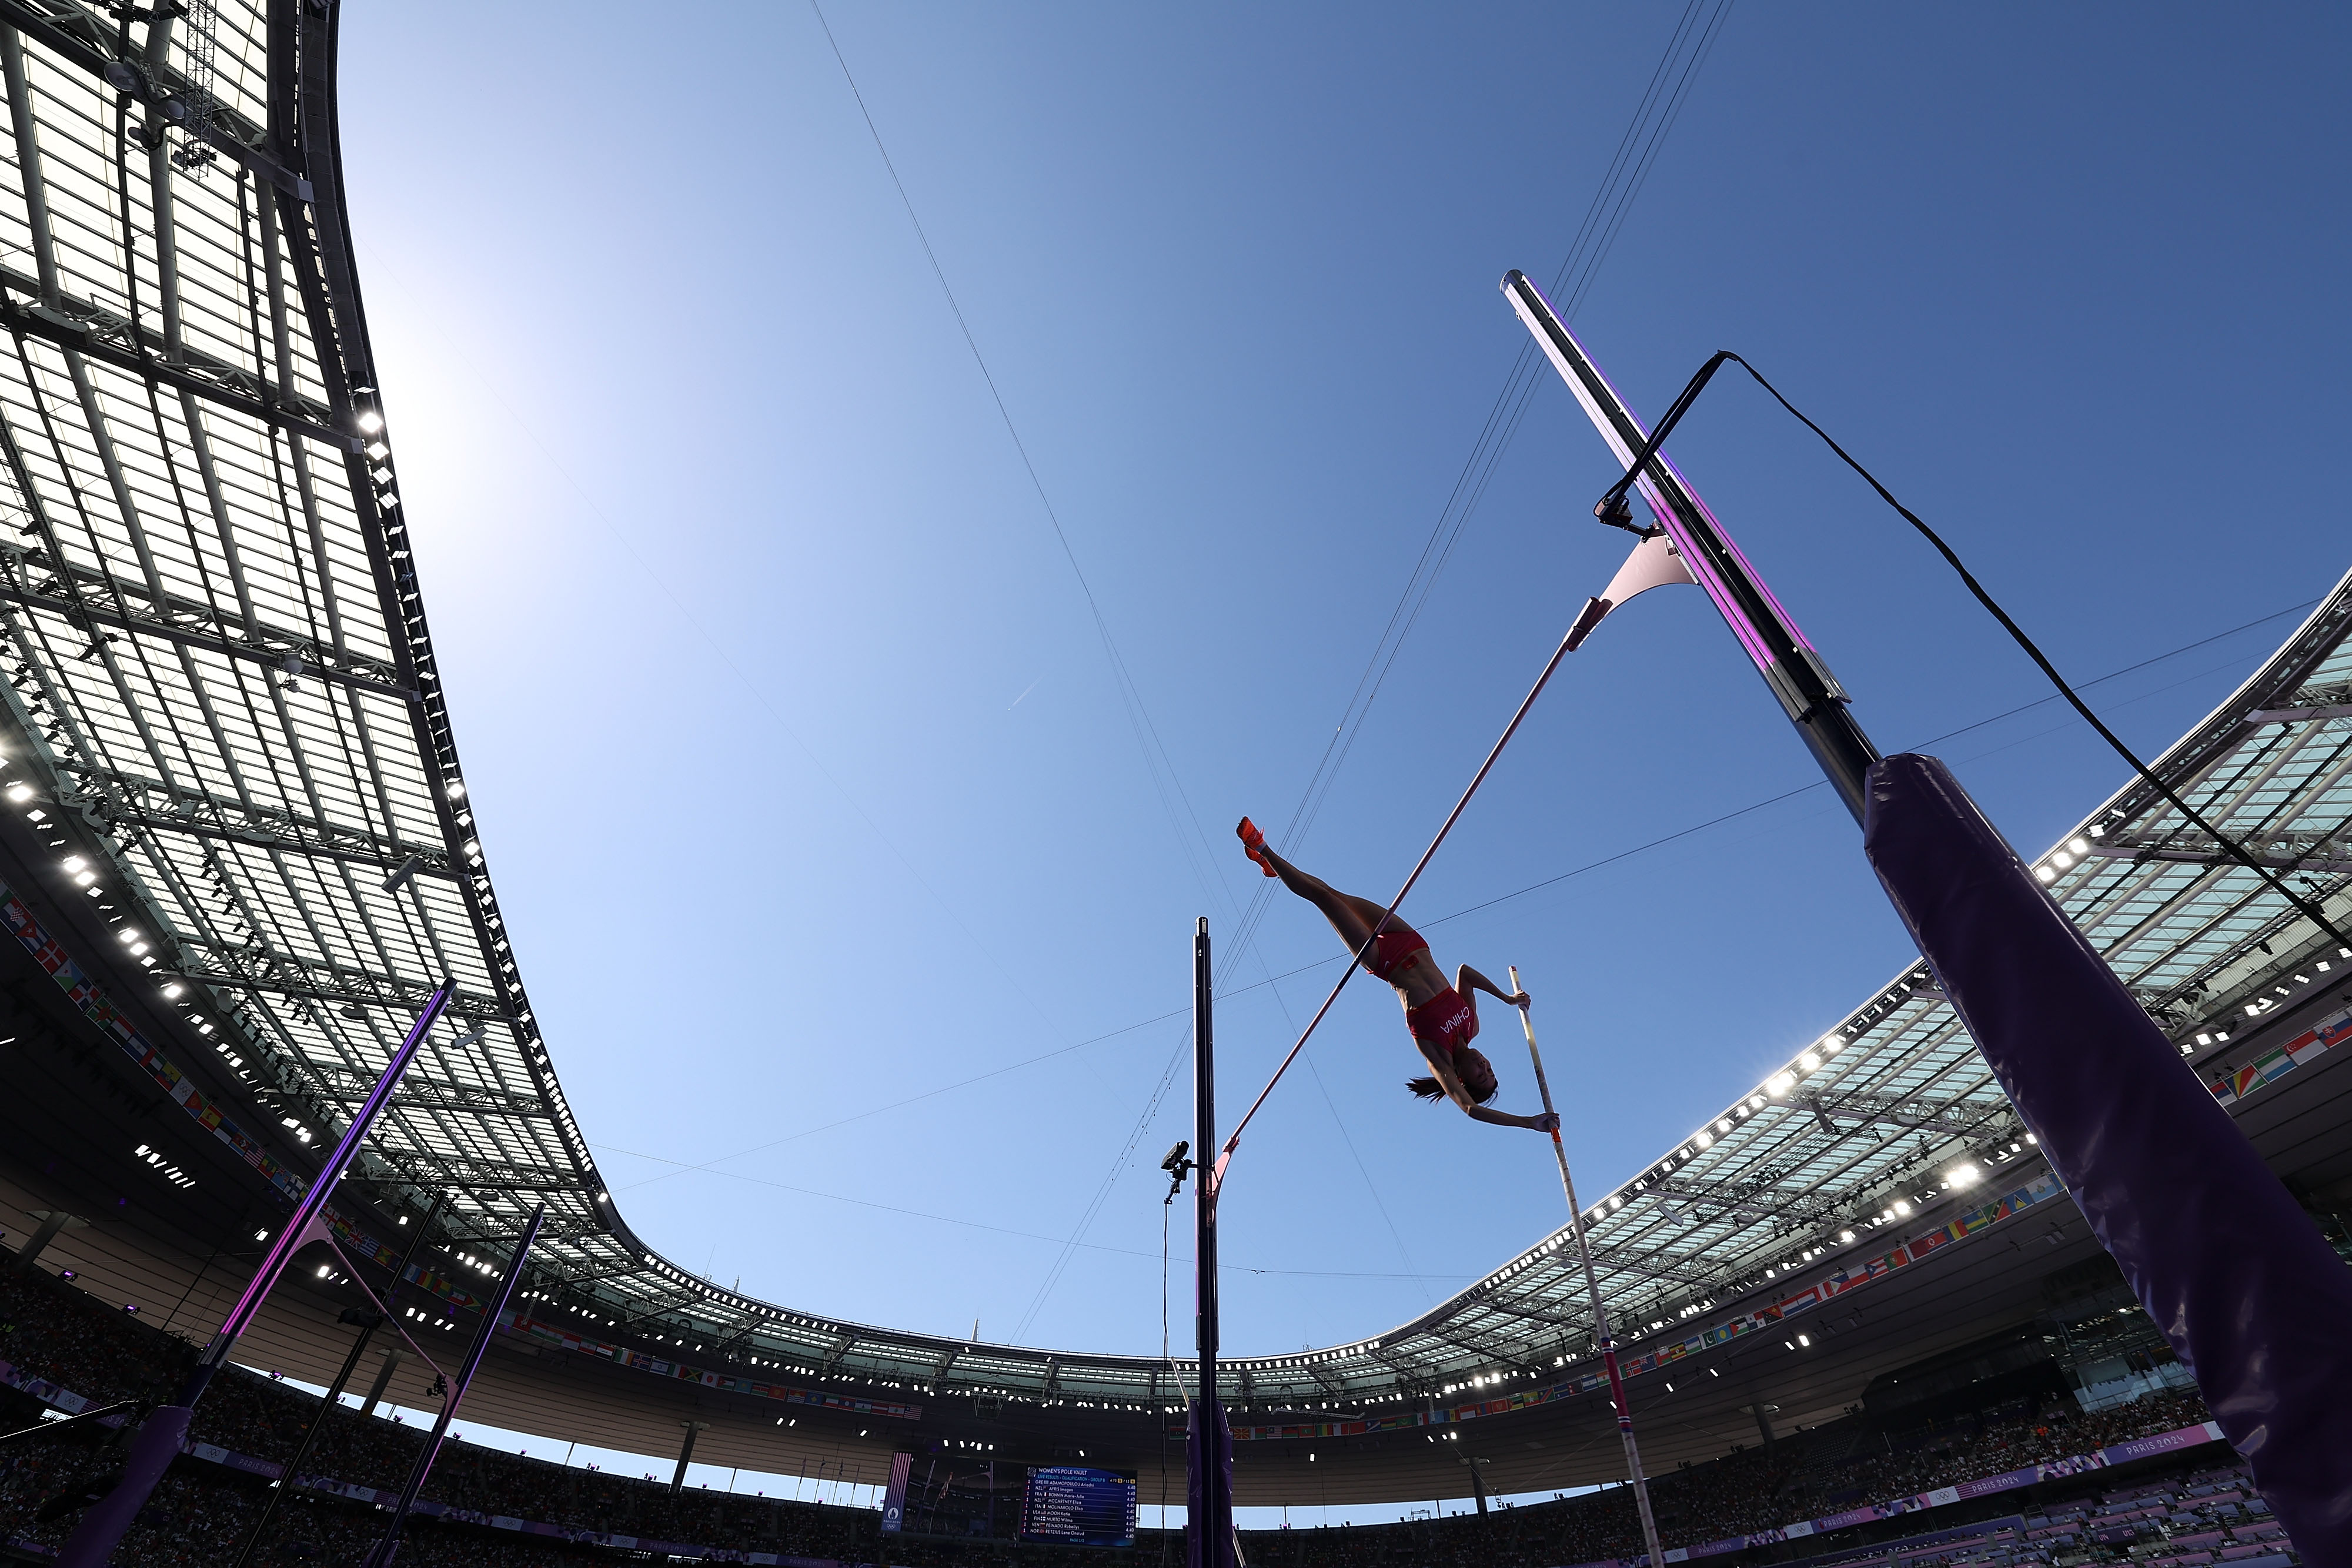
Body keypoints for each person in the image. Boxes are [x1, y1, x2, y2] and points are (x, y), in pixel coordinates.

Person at [1237, 818, 1558, 1134]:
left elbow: (1470, 1109)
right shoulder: (1471, 1024)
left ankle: (1262, 847)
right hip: (1411, 940)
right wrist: (1507, 998)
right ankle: (1274, 866)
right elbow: (1465, 973)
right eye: (1489, 1068)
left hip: (1383, 961)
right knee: (1336, 893)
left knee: (1324, 900)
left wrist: (1529, 1123)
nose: (1484, 1066)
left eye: (1481, 1075)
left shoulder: (1438, 1055)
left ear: (1462, 1078)